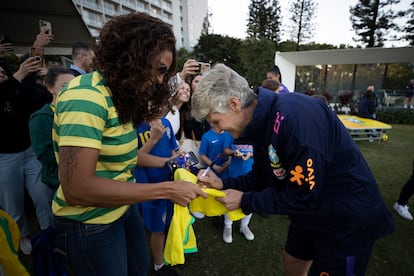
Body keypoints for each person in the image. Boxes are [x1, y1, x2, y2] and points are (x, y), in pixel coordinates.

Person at [193, 63, 395, 276]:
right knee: (293, 260)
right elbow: (262, 176)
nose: (217, 130)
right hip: (311, 210)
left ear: (234, 104)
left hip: (345, 217)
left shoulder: (295, 119)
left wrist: (245, 201)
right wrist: (224, 183)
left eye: (216, 121)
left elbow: (303, 197)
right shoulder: (259, 123)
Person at [52, 12, 206, 276]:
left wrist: (171, 163)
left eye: (166, 72)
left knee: (138, 267)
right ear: (132, 56)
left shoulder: (119, 98)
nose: (160, 79)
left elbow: (125, 156)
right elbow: (76, 188)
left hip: (121, 209)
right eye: (159, 69)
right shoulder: (86, 97)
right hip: (89, 223)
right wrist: (167, 190)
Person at [0, 38, 54, 256]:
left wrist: (37, 47)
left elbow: (28, 86)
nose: (1, 75)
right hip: (4, 157)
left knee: (42, 196)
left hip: (30, 153)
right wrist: (18, 75)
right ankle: (21, 237)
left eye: (3, 72)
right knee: (12, 203)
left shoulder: (16, 91)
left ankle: (49, 233)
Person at [135, 117, 181, 275]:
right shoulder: (133, 126)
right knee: (158, 229)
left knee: (170, 222)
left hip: (170, 182)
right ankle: (158, 265)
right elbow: (134, 159)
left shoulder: (166, 123)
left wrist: (178, 161)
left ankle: (169, 254)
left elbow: (172, 149)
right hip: (151, 188)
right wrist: (153, 138)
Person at [29, 67, 75, 191]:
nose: (71, 90)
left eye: (75, 86)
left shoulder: (77, 113)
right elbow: (44, 154)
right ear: (50, 88)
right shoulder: (41, 117)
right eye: (64, 86)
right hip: (57, 183)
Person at [223, 139, 255, 244]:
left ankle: (244, 226)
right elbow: (225, 150)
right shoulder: (231, 133)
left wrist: (250, 155)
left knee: (250, 201)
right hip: (234, 175)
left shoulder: (256, 132)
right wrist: (234, 153)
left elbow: (263, 152)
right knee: (230, 200)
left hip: (252, 175)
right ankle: (228, 226)